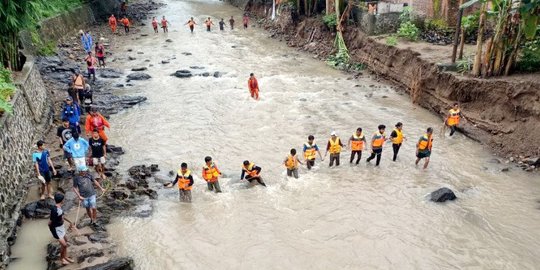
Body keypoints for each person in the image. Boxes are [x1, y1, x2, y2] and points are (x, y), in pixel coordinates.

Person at [48, 193, 75, 266]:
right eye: (64, 199)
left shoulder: (59, 208)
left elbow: (62, 216)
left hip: (61, 227)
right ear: (62, 201)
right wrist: (52, 231)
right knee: (64, 245)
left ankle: (65, 256)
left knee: (65, 241)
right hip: (56, 229)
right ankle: (62, 259)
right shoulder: (55, 210)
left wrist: (70, 222)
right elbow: (50, 222)